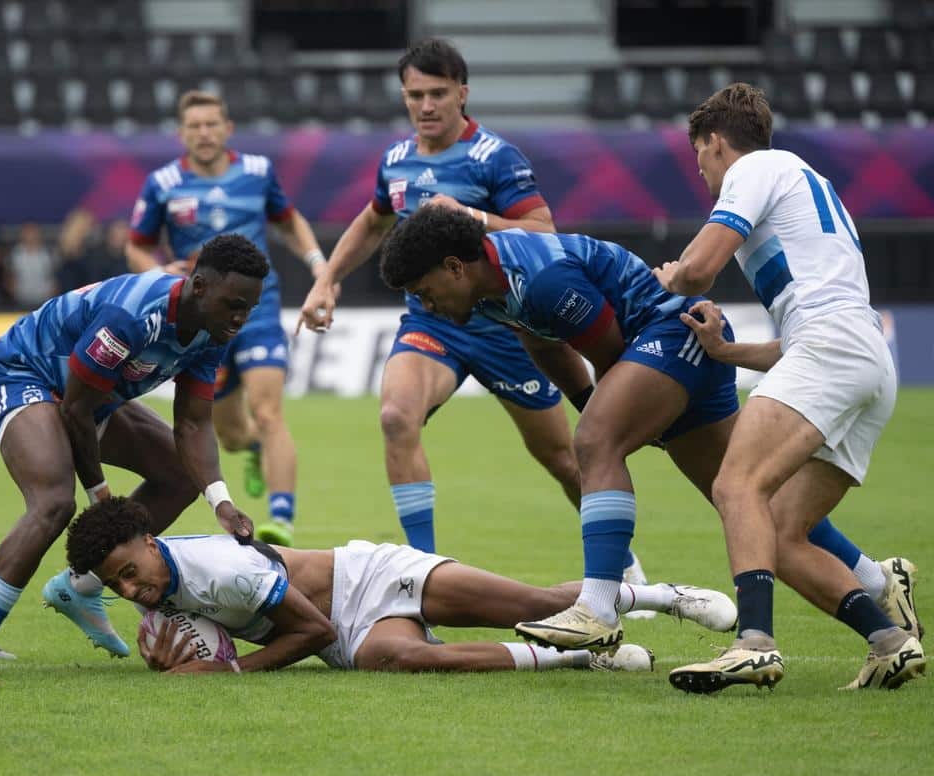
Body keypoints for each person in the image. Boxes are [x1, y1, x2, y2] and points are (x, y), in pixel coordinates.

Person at [376, 205, 921, 689]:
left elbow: (612, 351)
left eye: (426, 292)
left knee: (593, 441)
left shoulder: (540, 278)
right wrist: (597, 400)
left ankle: (597, 607)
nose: (426, 304)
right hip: (672, 347)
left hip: (670, 335)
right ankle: (883, 614)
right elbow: (542, 342)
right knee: (759, 513)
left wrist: (619, 417)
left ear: (454, 267)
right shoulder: (491, 290)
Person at [653, 83, 925, 692]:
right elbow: (807, 332)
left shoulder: (755, 168)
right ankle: (888, 639)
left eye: (699, 154)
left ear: (716, 143)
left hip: (833, 348)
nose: (699, 169)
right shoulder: (807, 184)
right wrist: (728, 352)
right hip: (864, 358)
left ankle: (754, 644)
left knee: (735, 482)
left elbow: (697, 269)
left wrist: (672, 276)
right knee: (777, 529)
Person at [296, 38, 589, 562]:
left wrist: (471, 217)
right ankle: (424, 570)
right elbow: (373, 221)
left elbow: (543, 231)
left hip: (507, 330)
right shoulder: (398, 159)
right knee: (395, 417)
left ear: (462, 93)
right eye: (415, 95)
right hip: (434, 325)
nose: (425, 106)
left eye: (437, 93)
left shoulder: (495, 158)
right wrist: (327, 279)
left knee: (563, 460)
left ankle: (623, 561)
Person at [0, 234, 265, 680]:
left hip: (92, 394)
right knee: (54, 502)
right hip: (23, 373)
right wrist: (100, 495)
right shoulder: (132, 316)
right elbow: (74, 408)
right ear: (200, 285)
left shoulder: (214, 331)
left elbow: (193, 424)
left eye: (248, 308)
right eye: (234, 304)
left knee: (182, 476)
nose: (240, 318)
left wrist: (220, 500)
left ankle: (82, 586)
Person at [64, 497, 743, 674]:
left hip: (371, 578)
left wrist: (232, 668)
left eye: (131, 571)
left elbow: (314, 630)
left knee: (533, 603)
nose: (131, 591)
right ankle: (573, 654)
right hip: (343, 633)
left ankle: (662, 597)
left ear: (153, 544)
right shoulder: (157, 579)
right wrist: (167, 648)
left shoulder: (223, 570)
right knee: (410, 658)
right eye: (116, 585)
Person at [127, 90, 330, 547]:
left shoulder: (257, 173)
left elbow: (290, 220)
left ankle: (282, 522)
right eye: (194, 126)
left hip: (257, 313)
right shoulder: (163, 183)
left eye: (211, 124)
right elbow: (135, 246)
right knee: (234, 434)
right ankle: (253, 450)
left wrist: (318, 263)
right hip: (200, 324)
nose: (203, 133)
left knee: (269, 410)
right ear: (182, 133)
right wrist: (160, 271)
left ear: (227, 128)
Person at [5, 222, 57, 308]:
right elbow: (8, 276)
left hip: (43, 301)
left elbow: (55, 277)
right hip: (20, 301)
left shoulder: (48, 253)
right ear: (22, 234)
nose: (31, 236)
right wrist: (13, 293)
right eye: (28, 233)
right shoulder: (15, 254)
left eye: (33, 232)